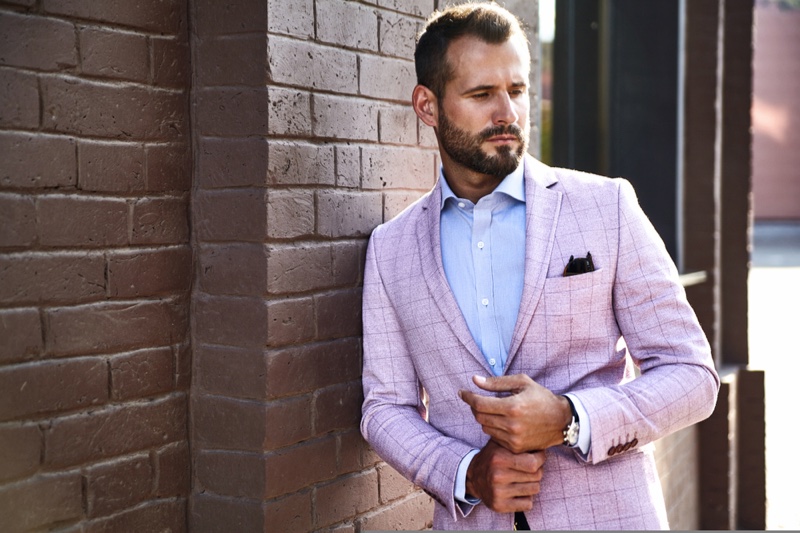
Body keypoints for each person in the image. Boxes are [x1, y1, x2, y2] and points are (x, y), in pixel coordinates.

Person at [359, 3, 719, 530]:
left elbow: (691, 375)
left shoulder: (607, 207)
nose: (507, 112)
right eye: (482, 94)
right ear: (427, 105)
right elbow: (384, 407)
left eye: (518, 90)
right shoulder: (392, 249)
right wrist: (466, 473)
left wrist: (571, 420)